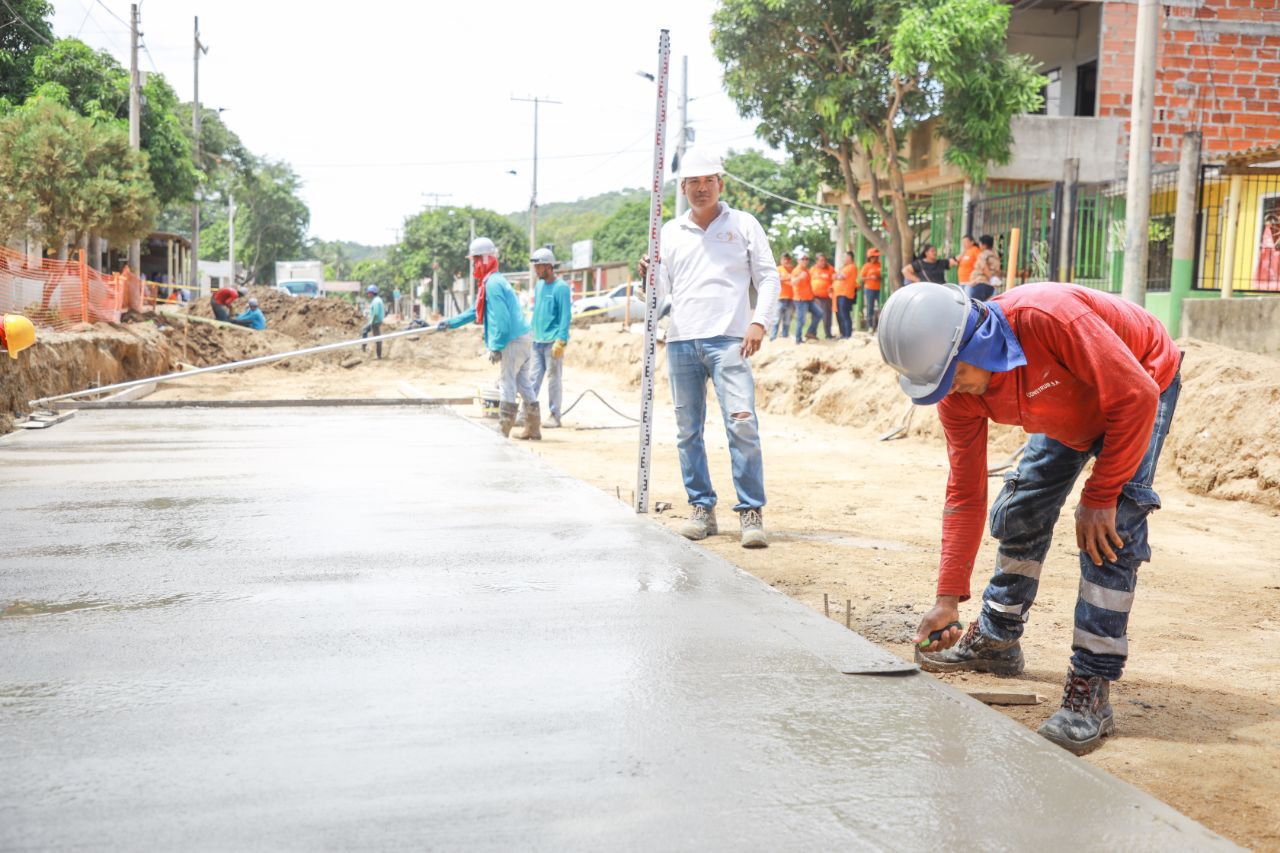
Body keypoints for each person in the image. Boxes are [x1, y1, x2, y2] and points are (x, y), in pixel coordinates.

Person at [877, 281, 1182, 755]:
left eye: (953, 377)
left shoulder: (1050, 320)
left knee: (1112, 528)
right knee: (1022, 506)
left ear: (976, 342)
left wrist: (1101, 493)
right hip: (1065, 399)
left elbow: (1135, 397)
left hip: (1139, 382)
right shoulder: (957, 393)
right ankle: (998, 637)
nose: (950, 391)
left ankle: (1092, 687)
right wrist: (947, 596)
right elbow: (965, 493)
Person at [638, 148, 780, 548]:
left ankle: (751, 511)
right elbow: (663, 292)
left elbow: (768, 278)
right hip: (681, 340)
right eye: (693, 183)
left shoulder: (744, 225)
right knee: (687, 432)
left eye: (708, 181)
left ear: (720, 183)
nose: (701, 189)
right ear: (682, 188)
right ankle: (701, 507)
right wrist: (648, 275)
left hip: (731, 340)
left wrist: (758, 322)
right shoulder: (668, 232)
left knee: (742, 424)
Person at [437, 237, 539, 439]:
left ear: (485, 259)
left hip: (512, 340)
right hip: (523, 338)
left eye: (475, 261)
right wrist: (451, 323)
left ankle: (503, 429)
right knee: (523, 384)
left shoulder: (492, 283)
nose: (474, 266)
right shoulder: (494, 281)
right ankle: (533, 430)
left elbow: (502, 320)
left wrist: (497, 346)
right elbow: (476, 310)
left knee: (507, 382)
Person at [529, 247, 571, 429]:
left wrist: (561, 340)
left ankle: (555, 415)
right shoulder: (539, 286)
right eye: (535, 267)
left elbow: (565, 316)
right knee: (532, 379)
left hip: (552, 342)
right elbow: (537, 312)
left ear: (548, 266)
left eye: (539, 267)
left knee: (553, 380)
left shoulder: (561, 288)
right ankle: (527, 414)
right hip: (537, 340)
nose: (536, 270)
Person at [969, 235, 1002, 301]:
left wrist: (991, 278)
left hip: (980, 284)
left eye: (980, 243)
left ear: (984, 245)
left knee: (976, 307)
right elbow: (998, 271)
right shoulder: (995, 255)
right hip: (990, 286)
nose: (979, 245)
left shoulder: (983, 254)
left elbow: (983, 267)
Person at [833, 250, 858, 338]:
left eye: (845, 257)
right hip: (839, 294)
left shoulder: (851, 267)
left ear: (850, 258)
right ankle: (843, 334)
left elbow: (840, 276)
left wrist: (837, 275)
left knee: (845, 314)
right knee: (840, 314)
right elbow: (835, 276)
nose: (843, 259)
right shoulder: (844, 267)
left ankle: (848, 335)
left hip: (846, 294)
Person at [809, 254, 834, 339]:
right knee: (815, 315)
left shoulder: (830, 269)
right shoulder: (812, 270)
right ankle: (813, 333)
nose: (823, 262)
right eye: (821, 260)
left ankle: (828, 334)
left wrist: (831, 288)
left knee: (827, 316)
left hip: (826, 297)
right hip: (815, 297)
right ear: (817, 261)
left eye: (824, 260)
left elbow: (834, 280)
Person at [790, 254, 813, 344]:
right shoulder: (796, 270)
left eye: (806, 259)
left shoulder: (806, 270)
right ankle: (798, 339)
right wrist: (800, 277)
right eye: (802, 259)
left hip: (809, 298)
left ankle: (810, 332)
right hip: (800, 299)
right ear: (798, 261)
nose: (805, 260)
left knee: (819, 313)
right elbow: (792, 282)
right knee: (801, 320)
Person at [771, 253, 794, 341]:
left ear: (790, 260)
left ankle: (784, 336)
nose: (786, 261)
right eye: (784, 259)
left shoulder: (792, 269)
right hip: (780, 297)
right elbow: (777, 279)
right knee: (777, 318)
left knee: (787, 319)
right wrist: (788, 278)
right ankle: (773, 337)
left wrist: (787, 278)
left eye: (788, 259)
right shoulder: (778, 269)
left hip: (791, 298)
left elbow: (794, 279)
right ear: (781, 260)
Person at [860, 248, 883, 332]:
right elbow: (862, 278)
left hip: (879, 289)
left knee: (882, 306)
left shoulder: (880, 265)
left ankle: (879, 326)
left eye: (876, 257)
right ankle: (870, 326)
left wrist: (878, 277)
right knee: (870, 307)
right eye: (873, 257)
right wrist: (870, 277)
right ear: (870, 257)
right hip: (869, 289)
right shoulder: (866, 266)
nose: (875, 258)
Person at [361, 285, 385, 359]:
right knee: (365, 330)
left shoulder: (376, 301)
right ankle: (364, 347)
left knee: (377, 338)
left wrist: (371, 322)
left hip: (375, 322)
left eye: (368, 293)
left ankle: (378, 355)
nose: (367, 294)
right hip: (376, 321)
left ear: (372, 293)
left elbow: (376, 313)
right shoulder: (377, 300)